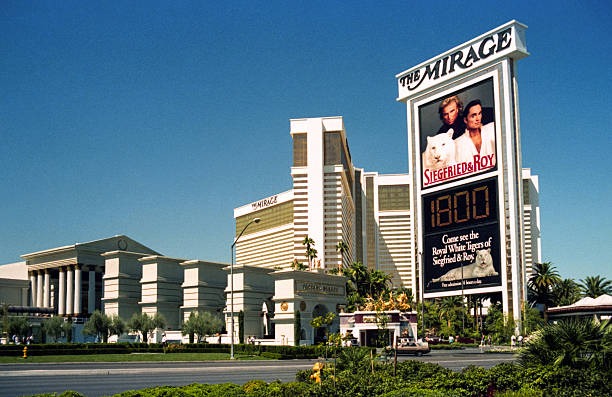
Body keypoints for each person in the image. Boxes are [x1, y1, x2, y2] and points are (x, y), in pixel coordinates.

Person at [454, 100, 496, 166]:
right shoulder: (458, 143)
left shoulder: (492, 129)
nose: (478, 118)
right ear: (465, 120)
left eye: (479, 114)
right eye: (473, 116)